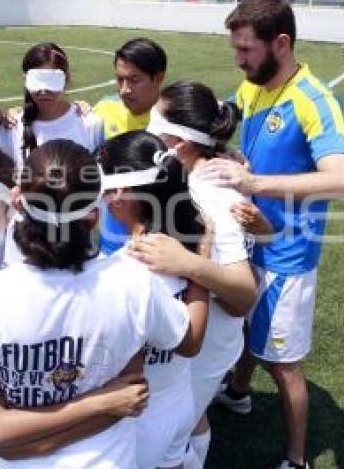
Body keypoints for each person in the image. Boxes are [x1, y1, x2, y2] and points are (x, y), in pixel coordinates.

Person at [0, 139, 205, 467]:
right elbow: (182, 347)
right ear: (93, 217)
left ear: (20, 205)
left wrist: (31, 445)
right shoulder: (135, 284)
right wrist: (198, 262)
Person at [201, 0, 344, 469]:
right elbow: (223, 116)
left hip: (288, 253)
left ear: (281, 43)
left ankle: (296, 459)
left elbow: (341, 179)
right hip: (253, 236)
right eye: (237, 50)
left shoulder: (314, 100)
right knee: (248, 324)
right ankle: (239, 392)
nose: (239, 59)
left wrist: (253, 180)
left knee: (285, 365)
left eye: (246, 50)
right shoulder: (255, 85)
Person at [129, 81, 260, 467]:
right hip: (195, 336)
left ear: (181, 142)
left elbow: (243, 295)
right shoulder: (208, 175)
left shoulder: (215, 193)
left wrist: (188, 264)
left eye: (158, 121)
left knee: (177, 425)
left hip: (207, 342)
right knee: (189, 414)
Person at [97, 130, 211, 469]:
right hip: (179, 399)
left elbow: (191, 340)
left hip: (140, 420)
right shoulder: (188, 241)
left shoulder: (122, 272)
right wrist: (201, 265)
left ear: (120, 192)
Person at [87, 37, 167, 255]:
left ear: (158, 78)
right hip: (110, 245)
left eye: (134, 80)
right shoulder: (104, 109)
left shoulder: (173, 121)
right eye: (120, 79)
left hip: (159, 244)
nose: (124, 90)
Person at [12, 43, 100, 169]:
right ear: (25, 80)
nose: (43, 90)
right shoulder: (14, 125)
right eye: (37, 81)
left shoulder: (89, 123)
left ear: (66, 79)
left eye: (52, 80)